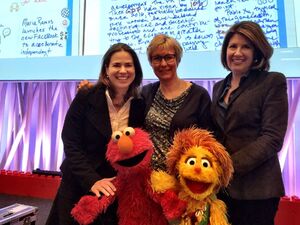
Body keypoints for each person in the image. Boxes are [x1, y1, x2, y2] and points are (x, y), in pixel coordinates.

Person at [46, 43, 145, 225]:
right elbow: (71, 142)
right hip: (79, 184)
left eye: (128, 65)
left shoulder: (140, 104)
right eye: (116, 65)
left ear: (136, 70)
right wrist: (92, 180)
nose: (123, 70)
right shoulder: (86, 96)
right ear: (106, 69)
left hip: (115, 190)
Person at [211, 21, 288, 225]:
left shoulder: (272, 82)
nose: (238, 52)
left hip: (258, 191)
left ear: (258, 52)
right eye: (232, 46)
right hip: (223, 191)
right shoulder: (218, 87)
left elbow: (272, 138)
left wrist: (227, 168)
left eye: (246, 46)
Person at [142, 34, 213, 171]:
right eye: (157, 58)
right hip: (148, 178)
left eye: (169, 57)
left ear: (178, 60)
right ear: (151, 63)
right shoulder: (145, 93)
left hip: (184, 178)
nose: (163, 64)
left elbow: (208, 141)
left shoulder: (199, 95)